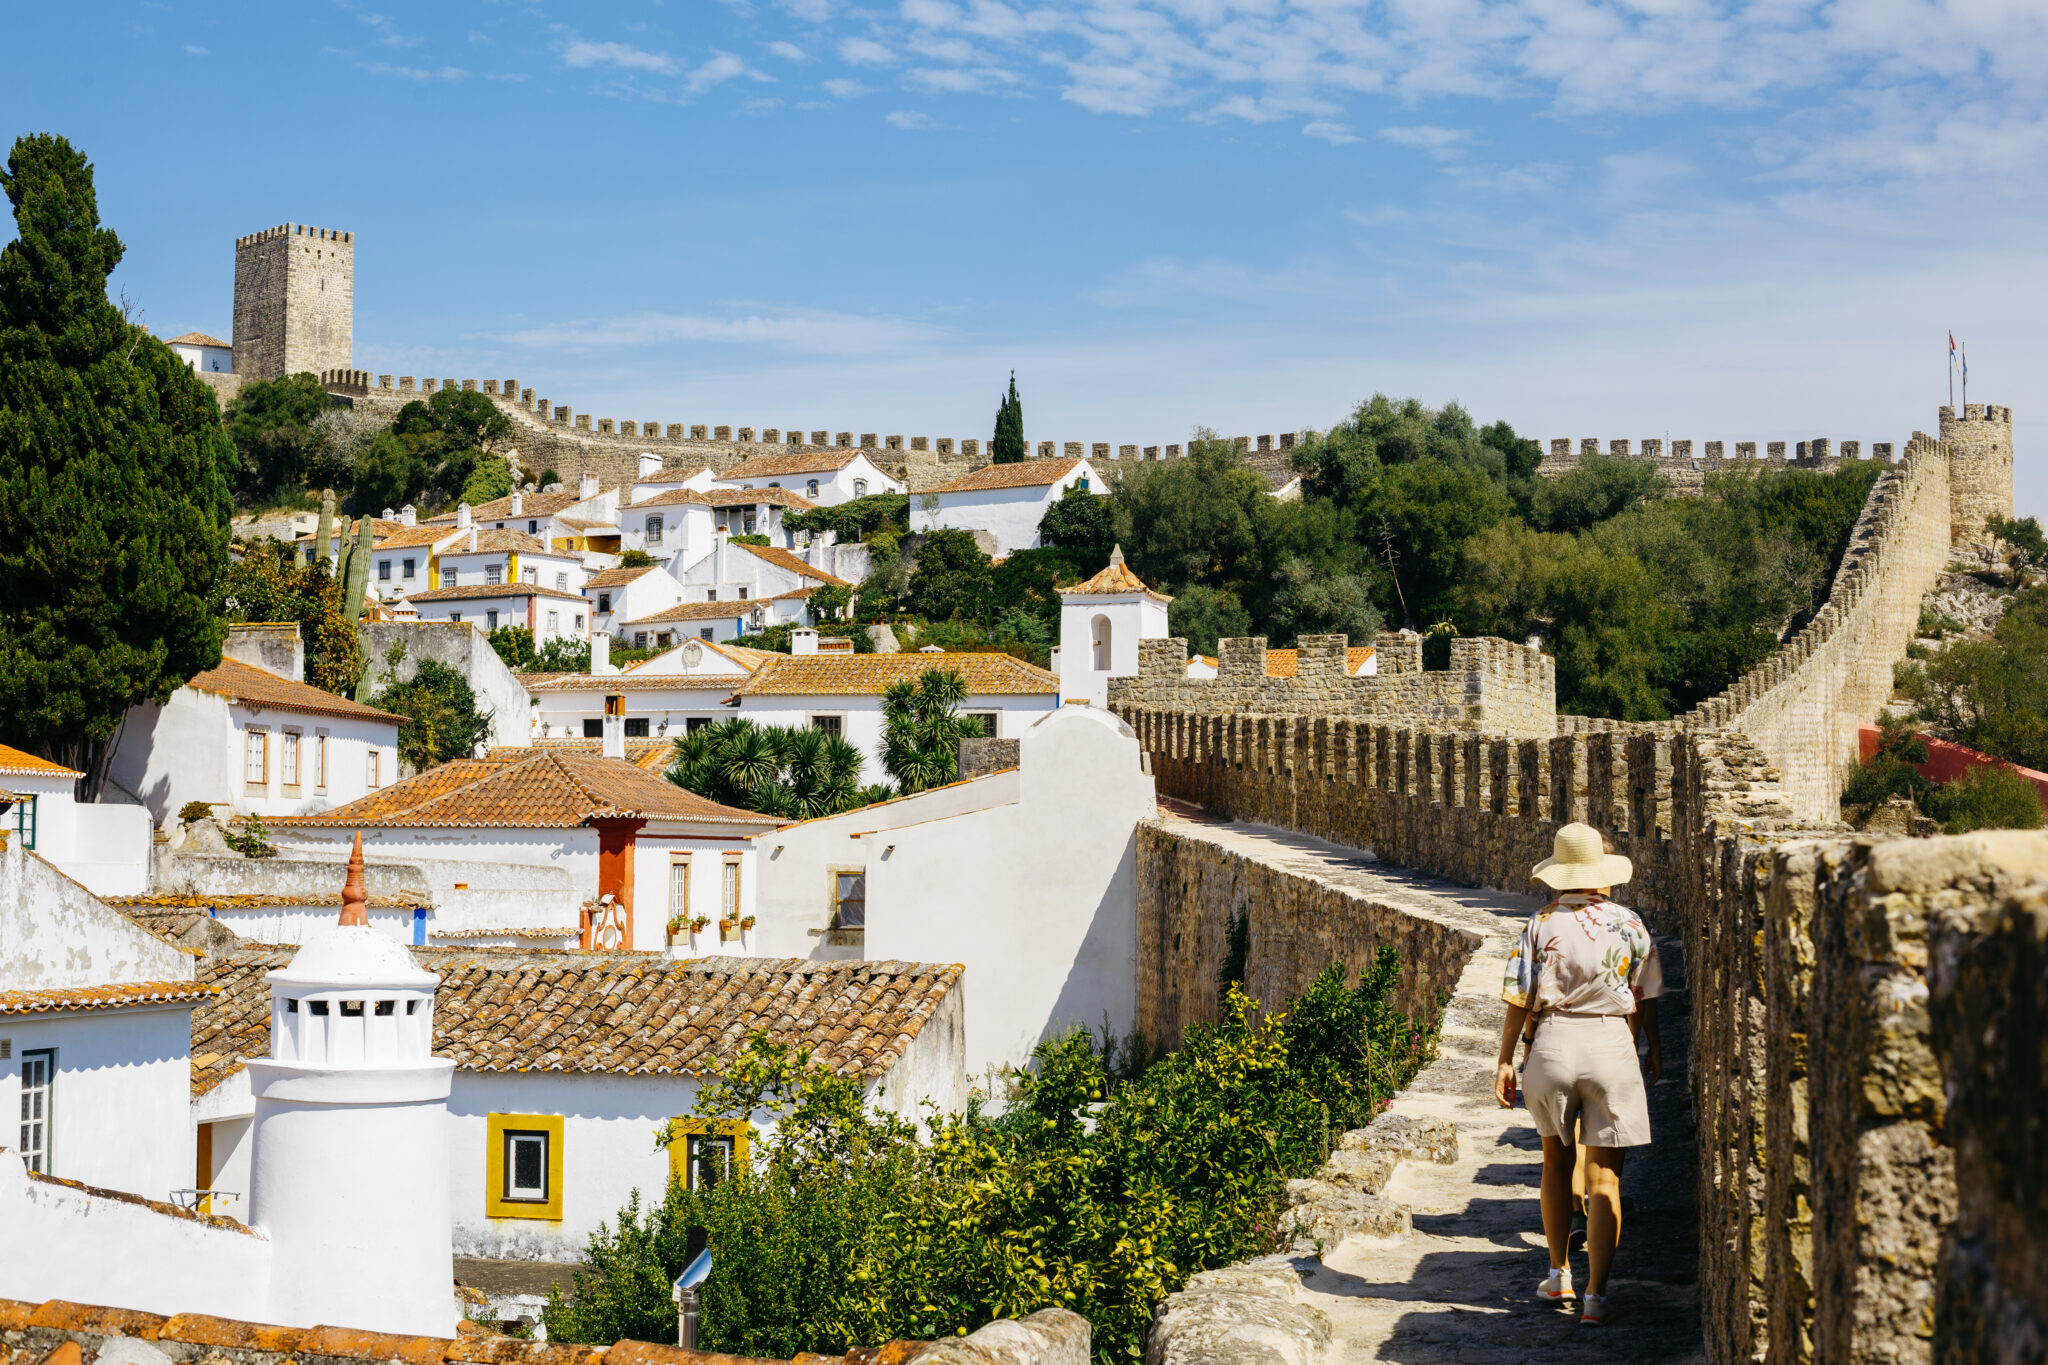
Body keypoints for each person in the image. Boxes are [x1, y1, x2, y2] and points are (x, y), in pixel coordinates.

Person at [1494, 822, 1663, 1326]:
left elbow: (1518, 1000)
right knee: (1606, 1178)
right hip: (1611, 1042)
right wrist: (1655, 1048)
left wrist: (1506, 1059)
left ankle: (1559, 1272)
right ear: (1602, 873)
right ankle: (1596, 1297)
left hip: (1552, 1043)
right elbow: (1644, 997)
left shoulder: (1538, 924)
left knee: (1555, 1162)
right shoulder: (1630, 923)